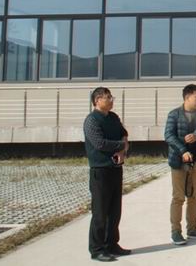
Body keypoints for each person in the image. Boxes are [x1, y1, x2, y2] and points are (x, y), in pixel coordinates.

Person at [164, 83, 196, 245]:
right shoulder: (174, 114)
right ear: (187, 97)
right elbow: (169, 136)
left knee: (194, 196)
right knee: (178, 197)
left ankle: (192, 229)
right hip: (178, 163)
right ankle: (176, 231)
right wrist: (182, 151)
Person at [83, 86, 130, 262]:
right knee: (100, 212)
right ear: (97, 100)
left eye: (111, 97)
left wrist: (122, 149)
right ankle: (97, 249)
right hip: (100, 170)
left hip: (116, 169)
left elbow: (123, 134)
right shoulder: (91, 120)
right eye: (107, 97)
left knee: (114, 211)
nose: (111, 100)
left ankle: (112, 244)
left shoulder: (113, 117)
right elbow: (99, 143)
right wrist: (121, 146)